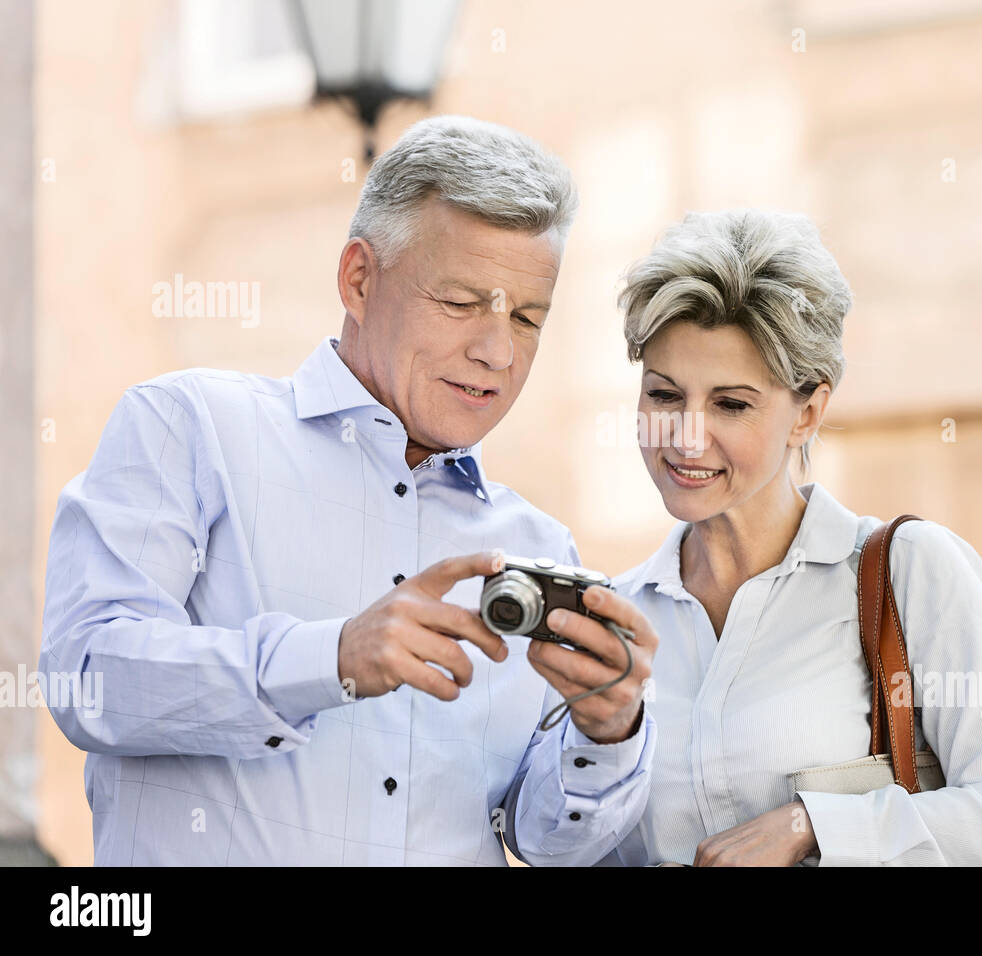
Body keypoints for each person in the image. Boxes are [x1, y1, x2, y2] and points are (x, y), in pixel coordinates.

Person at [38, 115, 659, 866]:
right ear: (359, 279)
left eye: (526, 318)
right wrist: (328, 657)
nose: (497, 351)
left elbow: (545, 843)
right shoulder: (189, 427)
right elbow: (87, 682)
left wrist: (609, 731)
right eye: (462, 302)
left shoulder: (537, 550)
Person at [598, 209, 982, 866]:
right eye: (663, 395)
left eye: (731, 404)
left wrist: (811, 825)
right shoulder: (618, 617)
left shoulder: (908, 572)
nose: (685, 436)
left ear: (808, 412)